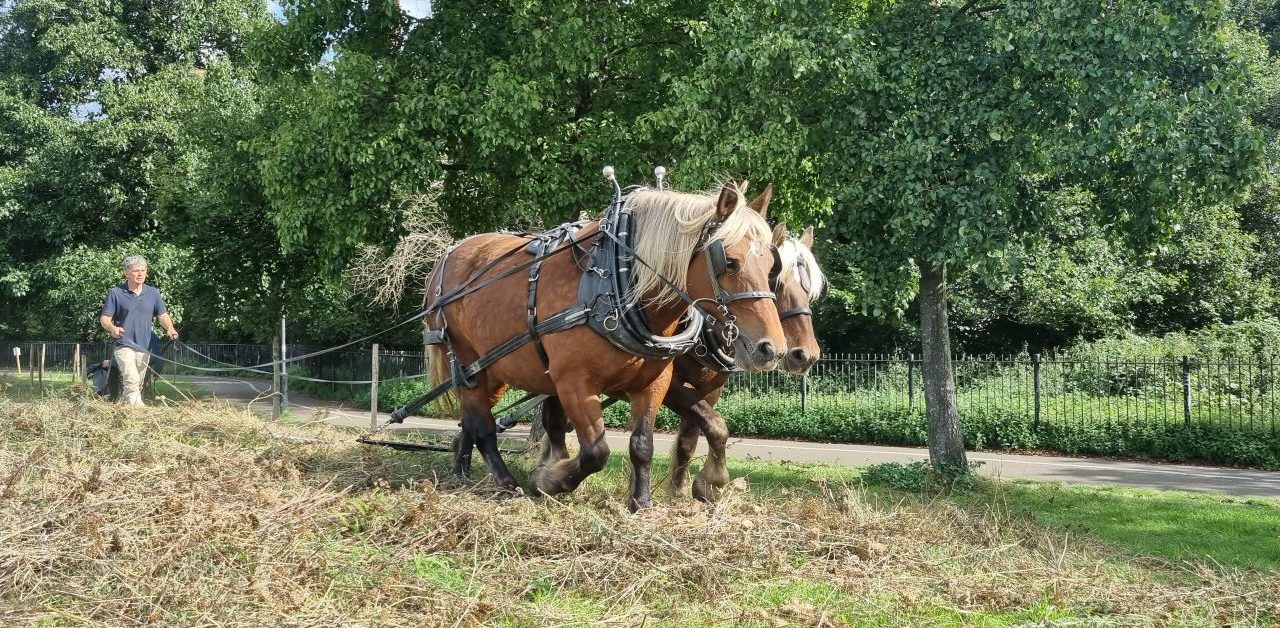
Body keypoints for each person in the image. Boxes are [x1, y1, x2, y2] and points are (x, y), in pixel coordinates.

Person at [99, 255, 178, 406]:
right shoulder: (116, 293)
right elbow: (104, 319)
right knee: (132, 380)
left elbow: (163, 316)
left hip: (144, 347)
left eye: (143, 270)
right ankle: (139, 415)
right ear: (126, 273)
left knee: (137, 385)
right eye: (136, 271)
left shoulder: (153, 293)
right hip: (124, 345)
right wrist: (112, 328)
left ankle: (121, 410)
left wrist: (170, 328)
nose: (140, 274)